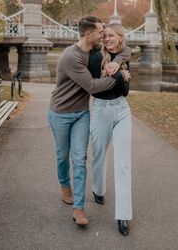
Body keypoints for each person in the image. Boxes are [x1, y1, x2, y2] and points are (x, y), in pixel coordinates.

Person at [48, 16, 131, 227]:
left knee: (80, 157)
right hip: (61, 113)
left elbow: (125, 49)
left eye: (107, 33)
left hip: (83, 113)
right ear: (89, 34)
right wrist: (120, 76)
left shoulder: (95, 52)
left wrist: (118, 61)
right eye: (101, 32)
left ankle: (79, 207)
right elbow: (93, 86)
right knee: (62, 156)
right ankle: (65, 185)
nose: (103, 36)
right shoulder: (71, 57)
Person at [88, 23, 132, 236]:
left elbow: (125, 92)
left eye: (111, 35)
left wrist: (120, 74)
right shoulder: (96, 57)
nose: (107, 39)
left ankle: (123, 215)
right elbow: (95, 90)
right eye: (104, 36)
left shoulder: (124, 56)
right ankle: (98, 189)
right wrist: (117, 75)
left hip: (122, 110)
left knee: (123, 163)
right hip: (100, 110)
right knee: (99, 155)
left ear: (120, 37)